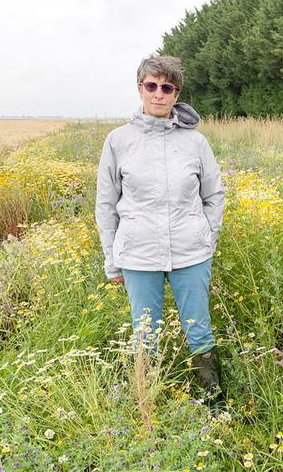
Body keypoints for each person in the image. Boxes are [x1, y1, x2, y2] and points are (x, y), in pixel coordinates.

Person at [95, 54, 225, 408]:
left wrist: (206, 238)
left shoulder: (195, 142)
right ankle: (148, 405)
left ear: (176, 93)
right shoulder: (118, 141)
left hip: (191, 253)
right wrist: (113, 260)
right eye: (150, 86)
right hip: (138, 255)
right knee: (145, 333)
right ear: (140, 89)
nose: (158, 94)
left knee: (198, 327)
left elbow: (214, 194)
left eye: (166, 87)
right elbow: (106, 205)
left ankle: (215, 404)